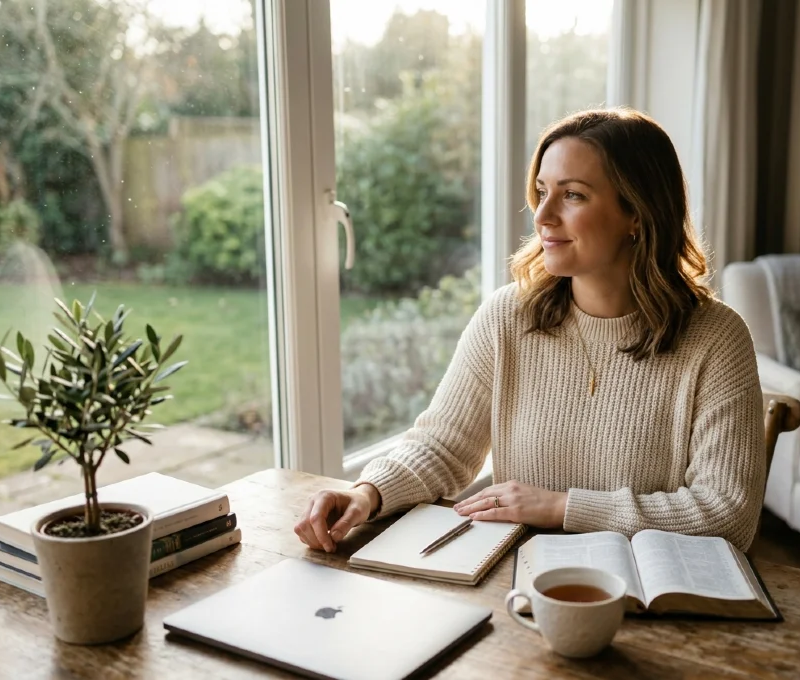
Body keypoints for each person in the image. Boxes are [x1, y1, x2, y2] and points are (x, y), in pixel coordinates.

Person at [294, 108, 765, 554]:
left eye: (573, 194)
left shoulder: (716, 339)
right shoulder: (507, 318)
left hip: (648, 598)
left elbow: (727, 514)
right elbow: (443, 446)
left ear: (637, 214)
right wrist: (368, 493)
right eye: (542, 192)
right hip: (520, 581)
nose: (542, 216)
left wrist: (561, 507)